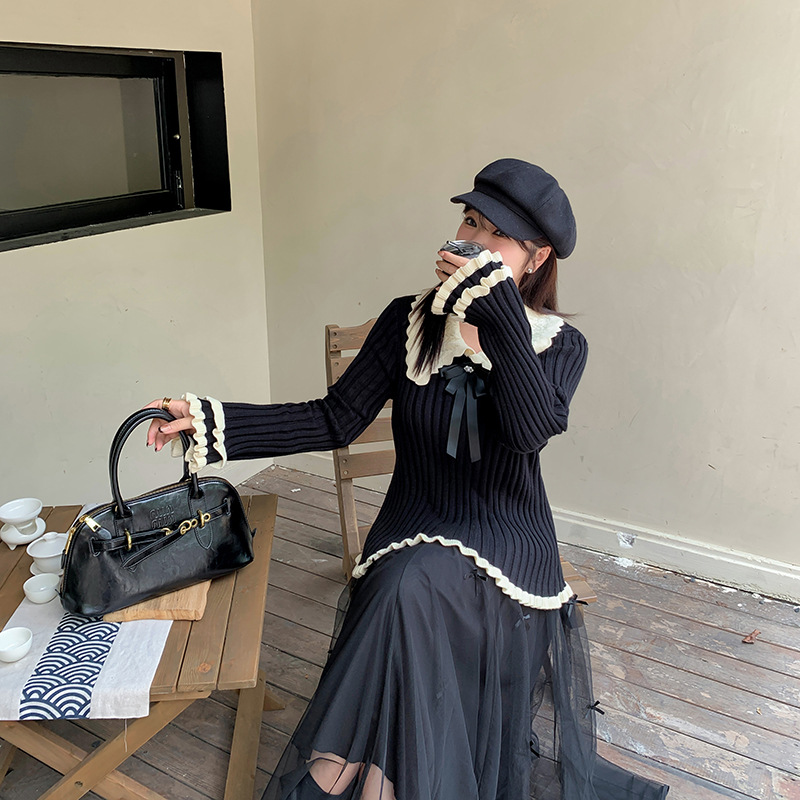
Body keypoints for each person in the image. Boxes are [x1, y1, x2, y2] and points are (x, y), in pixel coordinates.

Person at [146, 159, 669, 800]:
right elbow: (335, 418)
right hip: (412, 522)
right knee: (404, 587)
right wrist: (212, 421)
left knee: (406, 591)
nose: (473, 241)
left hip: (508, 541)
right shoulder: (408, 320)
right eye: (470, 221)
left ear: (535, 260)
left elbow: (529, 431)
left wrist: (500, 318)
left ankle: (338, 774)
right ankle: (371, 779)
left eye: (498, 235)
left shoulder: (559, 344)